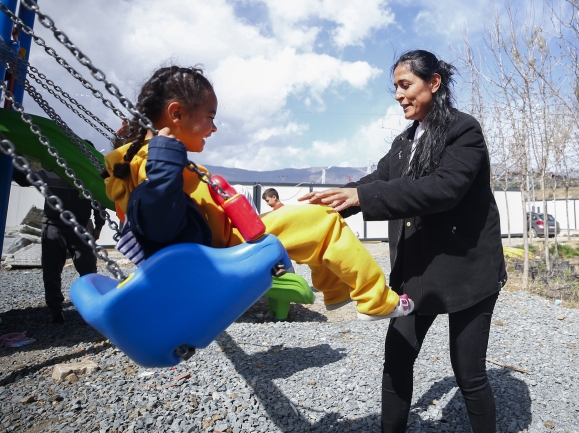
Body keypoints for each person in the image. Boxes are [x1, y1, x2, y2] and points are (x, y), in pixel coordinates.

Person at [102, 65, 414, 321]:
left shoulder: (143, 158)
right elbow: (158, 222)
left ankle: (336, 291)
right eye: (209, 116)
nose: (214, 128)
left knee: (314, 219)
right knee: (325, 221)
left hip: (222, 242)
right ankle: (375, 300)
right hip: (221, 254)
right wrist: (167, 160)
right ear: (176, 113)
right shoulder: (153, 161)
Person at [300, 50, 507, 432]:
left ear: (433, 83)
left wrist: (364, 198)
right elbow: (375, 183)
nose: (398, 94)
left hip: (468, 272)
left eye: (405, 84)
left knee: (468, 373)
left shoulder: (464, 131)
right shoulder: (403, 142)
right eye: (395, 87)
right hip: (416, 272)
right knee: (397, 360)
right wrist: (323, 208)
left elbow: (444, 188)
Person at [13, 162, 105, 324]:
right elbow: (24, 179)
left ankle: (92, 308)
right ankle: (55, 311)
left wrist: (98, 226)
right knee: (51, 270)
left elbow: (99, 204)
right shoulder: (52, 172)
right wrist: (11, 159)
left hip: (80, 227)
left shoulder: (90, 177)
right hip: (54, 226)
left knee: (88, 269)